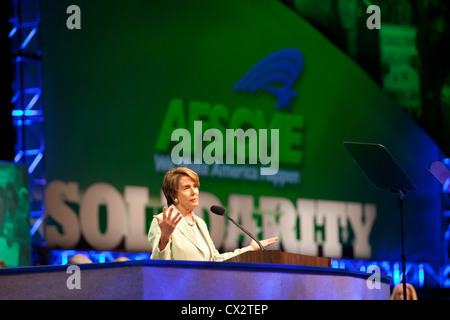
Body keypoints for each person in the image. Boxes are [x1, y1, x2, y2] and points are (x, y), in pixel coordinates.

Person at [148, 167, 278, 261]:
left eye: (195, 186)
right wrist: (164, 237)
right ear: (173, 194)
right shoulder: (161, 222)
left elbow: (215, 259)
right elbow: (158, 266)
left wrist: (250, 249)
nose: (194, 192)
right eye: (186, 188)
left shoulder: (200, 223)